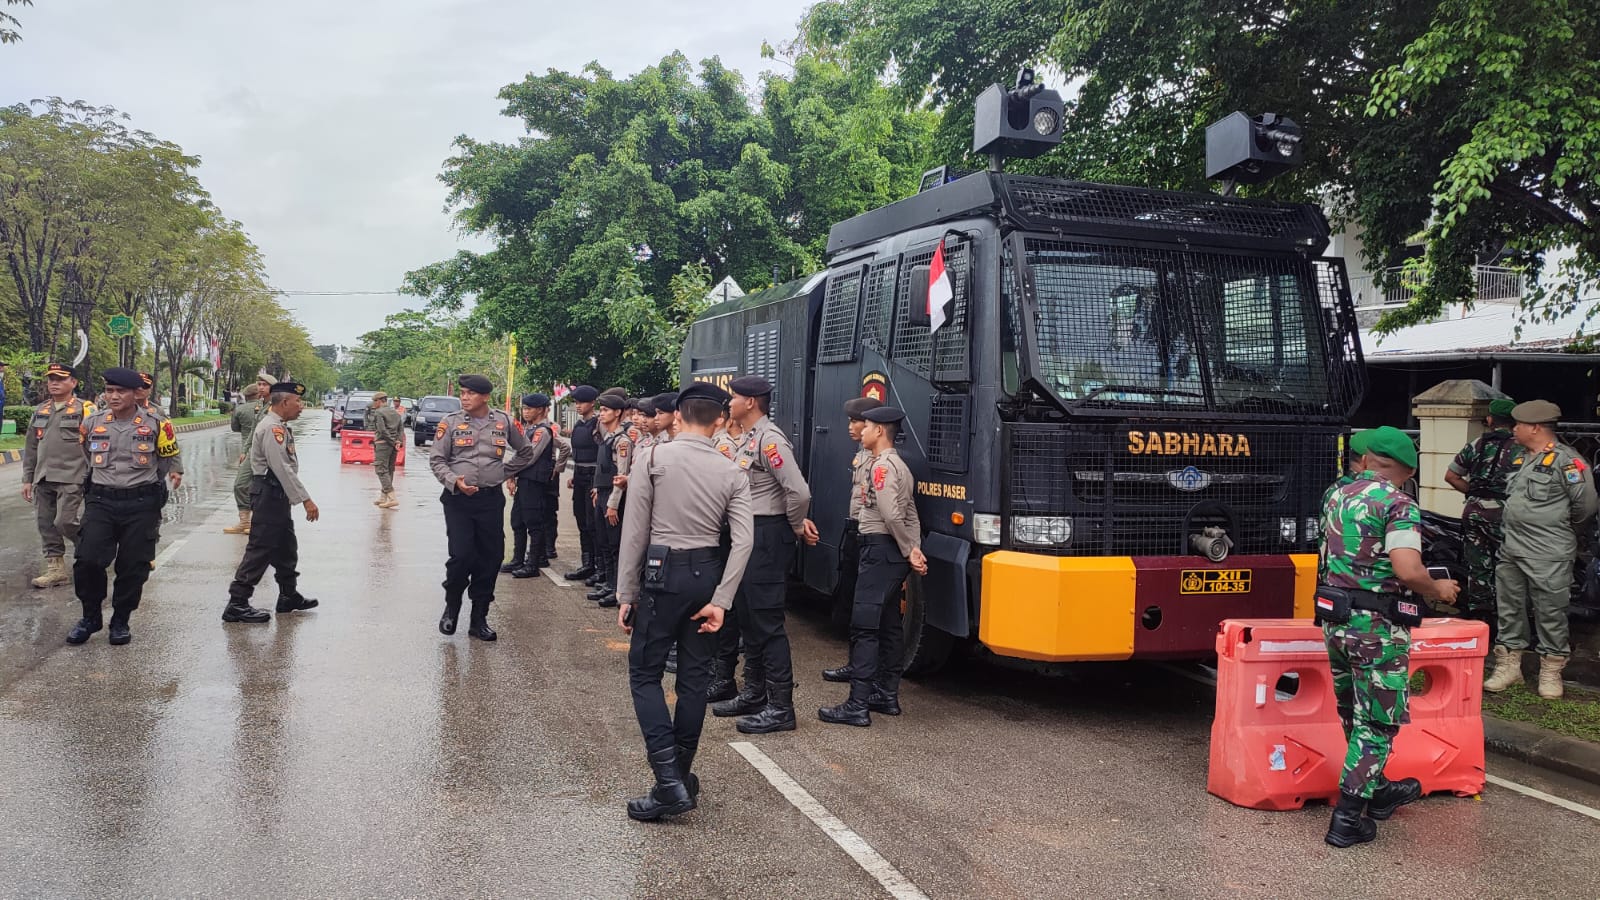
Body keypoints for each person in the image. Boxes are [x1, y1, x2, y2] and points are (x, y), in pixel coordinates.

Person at [616, 381, 754, 821]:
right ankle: (679, 776)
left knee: (644, 674)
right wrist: (723, 600)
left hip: (661, 575)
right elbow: (744, 542)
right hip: (707, 576)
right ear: (719, 421)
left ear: (677, 416)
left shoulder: (652, 457)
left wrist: (627, 593)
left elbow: (635, 531)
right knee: (694, 680)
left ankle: (669, 782)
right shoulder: (732, 469)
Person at [1318, 426, 1459, 848]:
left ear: (1368, 459)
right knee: (1378, 722)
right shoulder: (1398, 503)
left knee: (1352, 712)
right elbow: (1407, 570)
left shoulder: (1337, 496)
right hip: (1376, 629)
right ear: (1407, 470)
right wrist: (1439, 590)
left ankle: (1378, 791)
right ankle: (1347, 820)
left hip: (1335, 620)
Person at [711, 375, 819, 735]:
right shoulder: (752, 439)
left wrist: (796, 525)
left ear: (752, 402)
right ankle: (754, 692)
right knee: (748, 616)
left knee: (768, 622)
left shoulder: (770, 440)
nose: (730, 403)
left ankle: (780, 707)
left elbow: (798, 492)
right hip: (748, 534)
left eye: (736, 397)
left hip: (767, 535)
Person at [819, 406, 929, 726]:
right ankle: (886, 695)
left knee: (865, 627)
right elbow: (910, 514)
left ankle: (857, 705)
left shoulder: (883, 467)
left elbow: (893, 515)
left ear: (879, 431)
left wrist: (910, 550)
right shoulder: (897, 466)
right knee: (890, 625)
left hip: (880, 551)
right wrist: (914, 549)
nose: (861, 431)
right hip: (891, 552)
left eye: (866, 426)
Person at [1484, 400, 1598, 698]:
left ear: (1535, 427)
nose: (1514, 430)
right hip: (1512, 550)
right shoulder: (1522, 459)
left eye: (1518, 425)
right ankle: (1509, 666)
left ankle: (1551, 672)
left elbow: (1585, 507)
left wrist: (1560, 531)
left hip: (1548, 552)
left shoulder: (1567, 462)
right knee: (1509, 609)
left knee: (1550, 611)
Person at [67, 367, 183, 646]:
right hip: (101, 501)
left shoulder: (157, 423)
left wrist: (146, 487)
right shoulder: (92, 422)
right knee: (88, 560)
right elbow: (86, 454)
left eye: (121, 391)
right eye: (109, 391)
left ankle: (121, 619)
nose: (114, 396)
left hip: (141, 502)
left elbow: (165, 461)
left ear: (135, 394)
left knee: (133, 565)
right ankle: (90, 617)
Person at [428, 374, 535, 640]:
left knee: (491, 557)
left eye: (470, 393)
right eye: (462, 393)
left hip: (490, 500)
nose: (464, 397)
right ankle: (452, 607)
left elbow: (526, 452)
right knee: (462, 556)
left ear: (485, 396)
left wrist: (503, 473)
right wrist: (454, 481)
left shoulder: (503, 421)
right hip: (458, 501)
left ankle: (479, 619)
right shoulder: (450, 422)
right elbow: (437, 460)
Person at [222, 381, 322, 624]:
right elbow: (281, 468)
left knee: (286, 547)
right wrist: (306, 500)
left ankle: (288, 595)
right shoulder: (271, 428)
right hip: (269, 493)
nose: (301, 406)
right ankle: (237, 603)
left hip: (278, 495)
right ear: (285, 402)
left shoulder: (279, 425)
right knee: (260, 549)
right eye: (298, 402)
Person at [821, 396, 884, 684]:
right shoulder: (862, 452)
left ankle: (861, 668)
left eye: (855, 421)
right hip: (854, 529)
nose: (850, 426)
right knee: (848, 600)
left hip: (866, 533)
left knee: (862, 606)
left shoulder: (878, 457)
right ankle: (854, 663)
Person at [1444, 397, 1518, 624]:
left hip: (1474, 512)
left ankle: (1480, 617)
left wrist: (1474, 493)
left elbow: (1451, 476)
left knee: (1478, 566)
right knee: (1508, 566)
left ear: (1490, 419)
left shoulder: (1476, 444)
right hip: (1505, 514)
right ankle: (1508, 618)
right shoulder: (1520, 447)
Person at [22, 363, 94, 589]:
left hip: (73, 475)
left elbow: (96, 442)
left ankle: (92, 550)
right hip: (43, 477)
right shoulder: (41, 410)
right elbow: (31, 446)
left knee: (64, 521)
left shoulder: (86, 409)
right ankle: (56, 569)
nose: (54, 383)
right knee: (45, 524)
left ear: (73, 382)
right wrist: (27, 478)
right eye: (51, 379)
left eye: (60, 379)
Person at [505, 393, 558, 578]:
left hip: (534, 482)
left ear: (541, 410)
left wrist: (509, 471)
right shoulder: (529, 429)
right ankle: (517, 559)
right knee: (517, 520)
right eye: (524, 408)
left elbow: (529, 456)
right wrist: (511, 475)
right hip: (524, 479)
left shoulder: (542, 431)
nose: (525, 412)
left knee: (534, 522)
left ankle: (533, 563)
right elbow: (518, 453)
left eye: (529, 409)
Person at [588, 392, 634, 606]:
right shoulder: (608, 437)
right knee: (603, 541)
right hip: (603, 492)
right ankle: (607, 582)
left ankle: (616, 588)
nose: (601, 414)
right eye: (601, 409)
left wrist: (613, 505)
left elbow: (621, 476)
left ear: (617, 413)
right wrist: (598, 488)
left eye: (606, 410)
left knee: (615, 544)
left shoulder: (623, 441)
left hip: (614, 496)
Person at [564, 385, 602, 582]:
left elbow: (603, 454)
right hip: (579, 475)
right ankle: (587, 563)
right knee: (580, 519)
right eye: (576, 403)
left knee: (592, 522)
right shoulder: (579, 426)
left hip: (593, 476)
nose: (578, 406)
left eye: (582, 402)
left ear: (592, 403)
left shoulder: (598, 425)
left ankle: (599, 566)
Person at [223, 379, 272, 535]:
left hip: (268, 450)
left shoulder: (273, 406)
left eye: (265, 385)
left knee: (260, 487)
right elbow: (254, 431)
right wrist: (245, 449)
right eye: (259, 385)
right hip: (253, 449)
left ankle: (257, 522)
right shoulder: (261, 407)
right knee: (244, 484)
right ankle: (246, 522)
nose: (261, 387)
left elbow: (235, 428)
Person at [368, 390, 404, 510]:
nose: (373, 404)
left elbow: (382, 430)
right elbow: (401, 429)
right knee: (389, 470)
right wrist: (397, 442)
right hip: (393, 445)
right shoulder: (395, 412)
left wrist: (392, 441)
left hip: (383, 444)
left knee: (381, 470)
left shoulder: (379, 413)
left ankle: (392, 498)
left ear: (379, 401)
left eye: (375, 401)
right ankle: (384, 497)